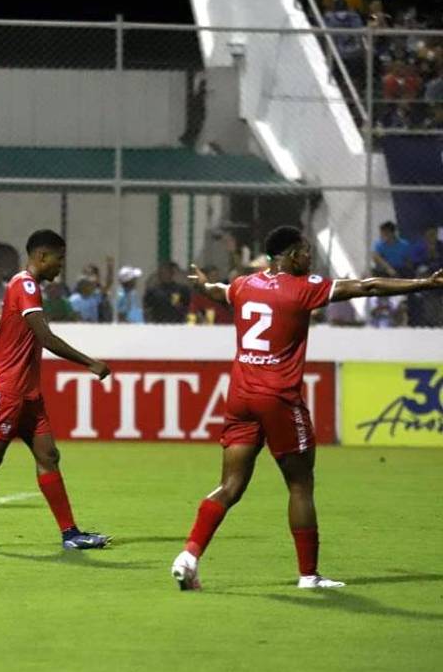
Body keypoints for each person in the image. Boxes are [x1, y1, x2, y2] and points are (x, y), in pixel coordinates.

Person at [170, 227, 443, 591]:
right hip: (279, 399)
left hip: (240, 396)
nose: (309, 257)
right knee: (300, 484)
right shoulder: (303, 288)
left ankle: (189, 556)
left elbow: (217, 292)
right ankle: (309, 576)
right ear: (290, 255)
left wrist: (204, 284)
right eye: (305, 251)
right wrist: (424, 283)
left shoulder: (244, 284)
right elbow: (366, 287)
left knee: (230, 485)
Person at [0, 230, 112, 551]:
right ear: (41, 256)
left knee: (48, 455)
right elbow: (45, 337)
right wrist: (89, 362)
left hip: (27, 390)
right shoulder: (25, 285)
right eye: (59, 258)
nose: (61, 265)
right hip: (6, 388)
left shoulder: (30, 287)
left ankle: (71, 534)